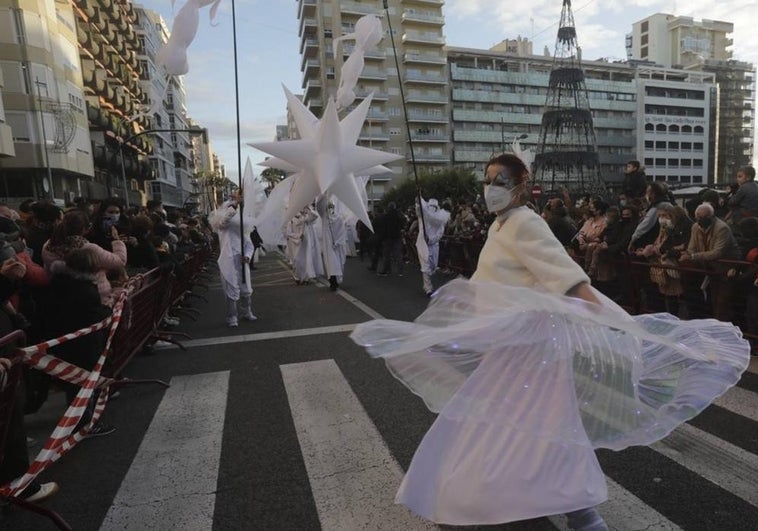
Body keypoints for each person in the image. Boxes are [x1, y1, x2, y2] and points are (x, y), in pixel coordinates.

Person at [351, 153, 749, 529]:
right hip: (510, 347)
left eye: (500, 181)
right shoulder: (499, 224)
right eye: (487, 181)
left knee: (532, 427)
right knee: (524, 428)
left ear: (522, 187)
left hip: (533, 351)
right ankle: (560, 511)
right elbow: (493, 282)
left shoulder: (525, 222)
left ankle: (570, 514)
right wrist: (462, 321)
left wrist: (616, 322)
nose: (491, 188)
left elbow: (568, 277)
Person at [209, 190, 255, 327]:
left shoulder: (241, 228)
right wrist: (234, 206)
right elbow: (223, 222)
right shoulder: (223, 226)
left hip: (241, 260)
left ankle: (247, 311)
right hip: (228, 259)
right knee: (231, 288)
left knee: (246, 288)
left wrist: (247, 256)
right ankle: (232, 317)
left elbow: (249, 245)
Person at [415, 198, 450, 296]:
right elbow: (419, 210)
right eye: (430, 207)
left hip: (434, 245)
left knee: (433, 266)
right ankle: (428, 288)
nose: (432, 209)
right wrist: (418, 202)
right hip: (423, 244)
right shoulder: (422, 217)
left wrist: (431, 240)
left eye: (434, 207)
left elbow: (440, 233)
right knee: (425, 266)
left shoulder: (439, 220)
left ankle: (428, 285)